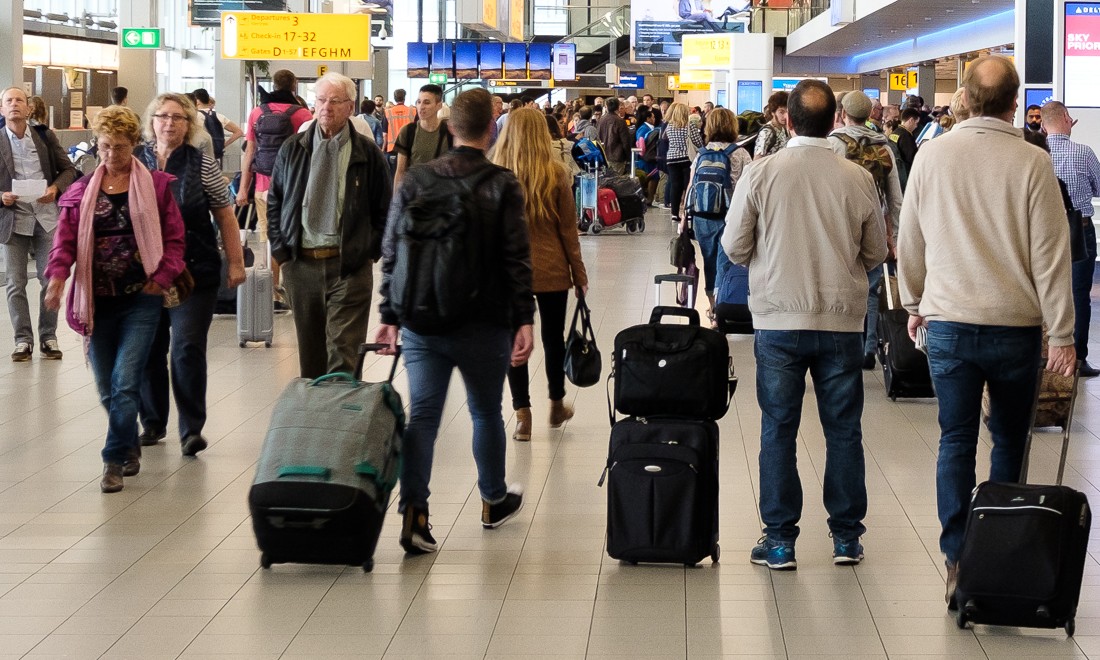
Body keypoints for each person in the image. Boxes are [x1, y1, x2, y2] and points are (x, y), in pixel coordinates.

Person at [897, 56, 1076, 608]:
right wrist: (1064, 333)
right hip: (1014, 328)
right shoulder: (1031, 162)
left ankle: (958, 557)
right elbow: (1050, 254)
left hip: (948, 322)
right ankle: (1003, 549)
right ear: (1015, 103)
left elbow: (911, 238)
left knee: (954, 440)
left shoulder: (932, 156)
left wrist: (913, 300)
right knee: (1008, 439)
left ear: (967, 99)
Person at [723, 79, 888, 570]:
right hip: (841, 321)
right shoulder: (857, 178)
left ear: (788, 120)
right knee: (843, 430)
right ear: (835, 119)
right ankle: (845, 538)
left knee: (778, 428)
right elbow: (877, 252)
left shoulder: (760, 173)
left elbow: (734, 247)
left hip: (778, 317)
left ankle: (779, 540)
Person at [374, 87, 535, 554]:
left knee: (422, 415)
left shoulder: (417, 181)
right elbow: (515, 258)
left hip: (423, 319)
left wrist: (389, 313)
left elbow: (392, 251)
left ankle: (415, 515)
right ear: (490, 129)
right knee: (486, 411)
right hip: (485, 321)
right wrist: (523, 318)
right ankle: (491, 500)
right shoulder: (503, 184)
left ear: (449, 127)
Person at [43, 105, 186, 493]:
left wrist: (161, 277)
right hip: (98, 300)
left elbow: (174, 240)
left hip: (142, 298)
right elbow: (65, 242)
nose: (110, 155)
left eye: (119, 147)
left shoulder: (155, 187)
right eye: (104, 146)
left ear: (134, 145)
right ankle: (127, 443)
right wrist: (57, 278)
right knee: (107, 386)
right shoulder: (81, 191)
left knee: (125, 383)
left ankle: (112, 460)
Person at [133, 93, 247, 456]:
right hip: (144, 273)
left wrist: (235, 262)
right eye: (163, 117)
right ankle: (152, 422)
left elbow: (225, 214)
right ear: (152, 121)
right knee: (150, 347)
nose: (169, 124)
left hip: (194, 271)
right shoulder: (134, 161)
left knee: (186, 346)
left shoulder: (201, 164)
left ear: (189, 124)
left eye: (178, 118)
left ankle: (191, 429)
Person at [267, 72, 392, 379]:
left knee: (343, 352)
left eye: (335, 101)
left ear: (350, 106)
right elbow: (275, 202)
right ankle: (316, 422)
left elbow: (385, 210)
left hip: (348, 267)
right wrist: (282, 251)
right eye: (321, 100)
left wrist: (367, 251)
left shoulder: (367, 153)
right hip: (301, 264)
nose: (326, 108)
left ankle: (341, 422)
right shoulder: (293, 148)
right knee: (311, 356)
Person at [493, 108, 588, 441]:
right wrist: (579, 274)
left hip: (507, 272)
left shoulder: (496, 174)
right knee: (552, 339)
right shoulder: (557, 173)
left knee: (514, 342)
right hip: (551, 268)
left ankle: (522, 415)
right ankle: (557, 403)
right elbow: (568, 231)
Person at [827, 90, 904, 371]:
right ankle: (868, 347)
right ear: (869, 115)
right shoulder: (884, 146)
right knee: (871, 290)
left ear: (842, 114)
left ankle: (842, 345)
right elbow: (895, 198)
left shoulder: (833, 145)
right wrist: (895, 236)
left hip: (840, 225)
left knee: (839, 286)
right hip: (874, 223)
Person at [1, 87, 78, 361]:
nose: (14, 105)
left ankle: (48, 336)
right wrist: (2, 196)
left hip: (46, 218)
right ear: (2, 109)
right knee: (15, 283)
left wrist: (56, 189)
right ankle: (22, 340)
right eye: (8, 101)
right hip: (13, 219)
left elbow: (69, 169)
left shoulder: (44, 137)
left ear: (28, 108)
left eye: (19, 100)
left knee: (50, 278)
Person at [236, 69, 312, 311]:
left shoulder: (257, 113)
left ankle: (271, 290)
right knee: (294, 237)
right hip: (295, 188)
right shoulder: (303, 114)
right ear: (294, 86)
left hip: (262, 186)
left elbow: (250, 152)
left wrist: (242, 188)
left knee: (268, 237)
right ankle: (292, 287)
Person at [1042, 100, 1100, 378]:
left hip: (1044, 230)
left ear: (1042, 124)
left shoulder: (1036, 153)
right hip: (1082, 228)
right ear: (1067, 119)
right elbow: (1098, 186)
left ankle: (1044, 354)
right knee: (1079, 295)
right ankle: (1078, 359)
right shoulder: (1084, 153)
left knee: (1044, 291)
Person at [680, 107, 751, 324]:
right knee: (726, 263)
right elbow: (748, 187)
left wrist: (684, 218)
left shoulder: (702, 154)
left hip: (702, 217)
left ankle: (712, 306)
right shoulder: (740, 154)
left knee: (709, 261)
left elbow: (691, 186)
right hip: (730, 216)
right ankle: (722, 308)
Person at [392, 84, 451, 190]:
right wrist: (396, 202)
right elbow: (400, 171)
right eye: (418, 102)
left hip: (442, 198)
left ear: (439, 105)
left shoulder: (449, 132)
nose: (421, 107)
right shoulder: (408, 131)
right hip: (415, 197)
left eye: (427, 102)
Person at [664, 102, 704, 219]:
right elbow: (698, 142)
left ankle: (674, 213)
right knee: (688, 185)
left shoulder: (669, 126)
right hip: (686, 158)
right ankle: (688, 211)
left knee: (675, 185)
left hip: (671, 158)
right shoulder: (689, 125)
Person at [192, 88, 244, 163]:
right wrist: (223, 145)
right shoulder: (219, 116)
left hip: (197, 156)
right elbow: (239, 132)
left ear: (197, 101)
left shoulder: (193, 116)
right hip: (215, 157)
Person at [596, 98, 632, 175]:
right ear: (618, 107)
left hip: (604, 155)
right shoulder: (620, 121)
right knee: (617, 182)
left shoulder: (601, 120)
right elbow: (626, 141)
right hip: (617, 157)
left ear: (606, 106)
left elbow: (598, 137)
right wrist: (629, 156)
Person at [385, 89, 417, 173]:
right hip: (410, 147)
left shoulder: (388, 112)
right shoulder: (413, 111)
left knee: (394, 176)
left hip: (393, 148)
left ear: (394, 98)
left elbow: (384, 134)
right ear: (404, 98)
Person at [754, 91, 789, 159]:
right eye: (781, 112)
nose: (785, 116)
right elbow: (756, 161)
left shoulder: (783, 128)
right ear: (773, 112)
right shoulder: (767, 132)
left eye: (787, 112)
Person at [545, 112, 580, 177]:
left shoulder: (546, 147)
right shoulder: (564, 144)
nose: (563, 125)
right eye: (561, 123)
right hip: (567, 178)